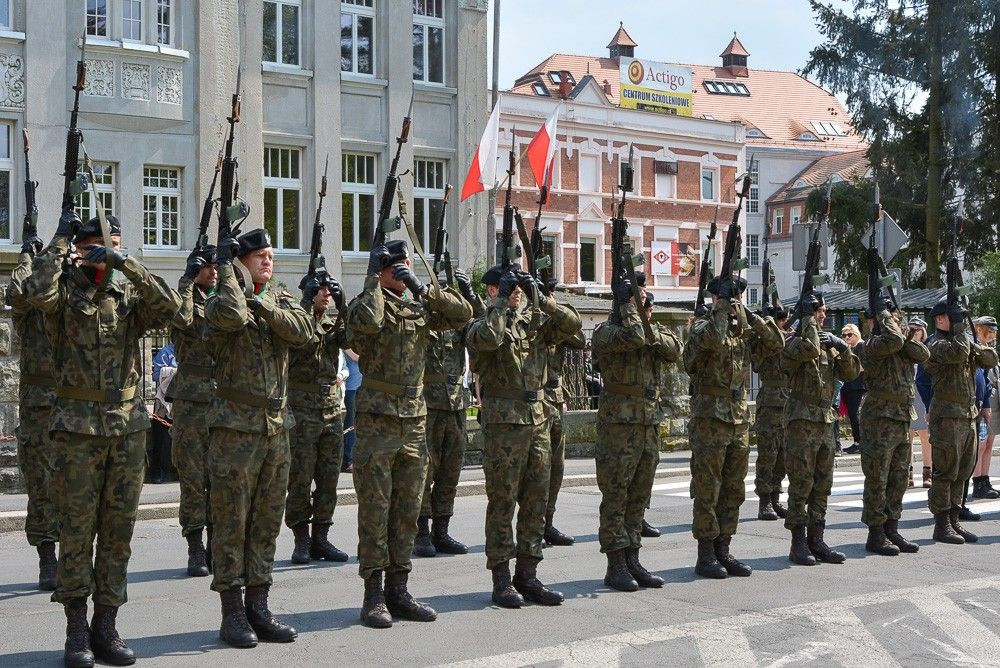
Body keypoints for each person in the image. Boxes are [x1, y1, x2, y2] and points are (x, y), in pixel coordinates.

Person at [25, 214, 188, 667]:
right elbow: (34, 293)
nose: (105, 254)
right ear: (82, 248)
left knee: (118, 534)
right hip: (76, 428)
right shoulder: (61, 290)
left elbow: (176, 309)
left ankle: (107, 626)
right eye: (97, 246)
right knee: (77, 532)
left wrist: (127, 262)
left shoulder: (127, 291)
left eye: (111, 245)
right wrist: (60, 241)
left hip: (128, 428)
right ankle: (76, 630)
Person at [346, 239, 472, 629]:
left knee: (407, 510)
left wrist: (421, 287)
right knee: (375, 511)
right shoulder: (366, 303)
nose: (402, 270)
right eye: (395, 266)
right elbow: (360, 329)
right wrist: (371, 281)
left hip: (415, 421)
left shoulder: (419, 306)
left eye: (405, 264)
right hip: (378, 423)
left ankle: (399, 590)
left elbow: (463, 313)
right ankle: (373, 595)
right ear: (381, 270)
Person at [205, 228, 312, 648]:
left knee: (267, 521)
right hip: (235, 430)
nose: (268, 261)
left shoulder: (278, 300)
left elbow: (303, 331)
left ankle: (259, 606)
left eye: (271, 255)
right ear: (241, 261)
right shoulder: (221, 302)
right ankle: (232, 612)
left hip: (275, 429)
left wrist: (261, 304)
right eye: (259, 256)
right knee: (232, 521)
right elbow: (231, 314)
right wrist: (230, 272)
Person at [467, 265, 581, 608]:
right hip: (504, 425)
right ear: (492, 291)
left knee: (536, 500)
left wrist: (543, 300)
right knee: (503, 501)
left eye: (518, 286)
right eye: (509, 286)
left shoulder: (536, 322)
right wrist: (501, 301)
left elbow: (573, 327)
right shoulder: (482, 322)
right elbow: (488, 339)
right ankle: (501, 581)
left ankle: (528, 575)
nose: (516, 290)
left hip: (538, 420)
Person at [684, 275, 782, 579]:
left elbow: (776, 343)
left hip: (738, 418)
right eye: (730, 296)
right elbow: (710, 340)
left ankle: (724, 548)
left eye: (738, 296)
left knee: (733, 488)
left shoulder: (744, 330)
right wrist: (722, 309)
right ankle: (706, 554)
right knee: (708, 488)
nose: (735, 301)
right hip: (710, 418)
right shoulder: (701, 325)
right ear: (716, 298)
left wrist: (751, 315)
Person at [594, 285, 681, 591]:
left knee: (639, 497)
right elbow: (635, 338)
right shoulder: (606, 332)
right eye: (637, 298)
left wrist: (641, 316)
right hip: (619, 426)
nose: (645, 306)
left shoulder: (649, 329)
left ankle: (633, 558)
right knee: (617, 495)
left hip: (648, 424)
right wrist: (628, 308)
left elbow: (674, 350)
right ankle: (615, 563)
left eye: (645, 301)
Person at [782, 293, 860, 566]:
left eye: (824, 311)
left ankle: (817, 539)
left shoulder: (828, 344)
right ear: (807, 315)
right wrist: (806, 324)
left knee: (822, 484)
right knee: (801, 484)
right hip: (802, 421)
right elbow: (806, 350)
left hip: (825, 422)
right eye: (819, 312)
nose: (823, 316)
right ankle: (798, 542)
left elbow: (851, 373)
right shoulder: (794, 343)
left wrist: (842, 345)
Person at [414, 269, 485, 558]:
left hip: (456, 404)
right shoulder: (421, 318)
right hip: (428, 406)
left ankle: (441, 530)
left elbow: (482, 329)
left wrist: (471, 297)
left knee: (450, 470)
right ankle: (420, 532)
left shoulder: (458, 324)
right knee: (425, 471)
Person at [285, 274, 351, 565]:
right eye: (321, 289)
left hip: (331, 407)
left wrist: (344, 305)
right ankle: (301, 538)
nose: (327, 294)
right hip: (301, 408)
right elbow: (299, 340)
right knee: (300, 476)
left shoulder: (330, 320)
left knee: (329, 477)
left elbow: (351, 341)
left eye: (329, 289)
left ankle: (321, 537)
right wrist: (306, 304)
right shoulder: (296, 317)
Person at [6, 231, 58, 592]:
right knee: (41, 486)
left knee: (75, 488)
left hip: (75, 404)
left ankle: (73, 556)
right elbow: (17, 292)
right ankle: (47, 556)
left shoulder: (63, 300)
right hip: (40, 408)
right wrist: (27, 256)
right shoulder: (28, 314)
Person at [855, 302, 929, 556]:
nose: (896, 320)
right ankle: (876, 533)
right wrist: (886, 317)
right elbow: (893, 340)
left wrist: (903, 329)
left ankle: (892, 527)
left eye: (896, 317)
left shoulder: (901, 344)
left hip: (899, 417)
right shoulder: (871, 345)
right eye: (889, 318)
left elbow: (924, 355)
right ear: (875, 322)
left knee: (898, 477)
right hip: (879, 418)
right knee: (878, 477)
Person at [923, 299, 998, 544]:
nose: (954, 322)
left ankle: (955, 520)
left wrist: (967, 333)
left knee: (963, 470)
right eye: (951, 318)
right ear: (940, 319)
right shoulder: (935, 344)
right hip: (946, 415)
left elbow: (990, 358)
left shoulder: (964, 341)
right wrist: (960, 332)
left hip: (967, 414)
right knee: (945, 471)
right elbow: (957, 354)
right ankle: (941, 524)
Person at [168, 245, 219, 578]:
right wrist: (187, 279)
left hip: (223, 402)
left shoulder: (226, 297)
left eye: (217, 265)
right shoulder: (185, 298)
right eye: (207, 265)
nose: (213, 271)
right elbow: (181, 319)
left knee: (221, 480)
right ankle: (195, 546)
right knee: (192, 479)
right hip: (190, 403)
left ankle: (218, 544)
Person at [543, 278, 586, 547]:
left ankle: (547, 522)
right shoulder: (529, 321)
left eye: (551, 293)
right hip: (534, 402)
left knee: (556, 468)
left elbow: (579, 338)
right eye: (547, 292)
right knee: (536, 469)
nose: (550, 296)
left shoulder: (555, 321)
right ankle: (532, 525)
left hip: (555, 399)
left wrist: (553, 308)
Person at [750, 305, 791, 521]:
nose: (783, 324)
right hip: (770, 404)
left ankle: (776, 496)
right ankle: (764, 500)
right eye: (779, 320)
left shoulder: (791, 337)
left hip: (789, 404)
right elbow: (756, 364)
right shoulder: (762, 341)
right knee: (768, 454)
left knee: (784, 455)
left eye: (785, 320)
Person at [970, 316, 998, 499]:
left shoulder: (990, 348)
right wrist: (985, 404)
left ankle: (985, 479)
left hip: (992, 399)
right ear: (980, 329)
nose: (994, 333)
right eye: (991, 329)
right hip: (980, 402)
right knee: (980, 444)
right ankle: (978, 482)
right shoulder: (975, 348)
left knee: (989, 442)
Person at [149, 342, 177, 483]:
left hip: (183, 402)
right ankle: (158, 472)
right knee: (161, 439)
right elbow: (156, 375)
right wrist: (174, 372)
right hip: (164, 403)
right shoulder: (166, 352)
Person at [840, 323, 866, 454]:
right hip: (849, 385)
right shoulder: (849, 348)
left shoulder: (861, 345)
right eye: (844, 335)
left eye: (849, 334)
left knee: (855, 414)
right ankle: (857, 441)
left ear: (856, 334)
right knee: (851, 414)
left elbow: (864, 366)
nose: (846, 337)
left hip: (858, 385)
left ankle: (860, 442)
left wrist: (850, 368)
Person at [343, 349, 361, 472]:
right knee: (351, 424)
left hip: (362, 386)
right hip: (351, 387)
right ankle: (348, 458)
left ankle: (356, 457)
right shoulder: (348, 343)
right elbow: (356, 357)